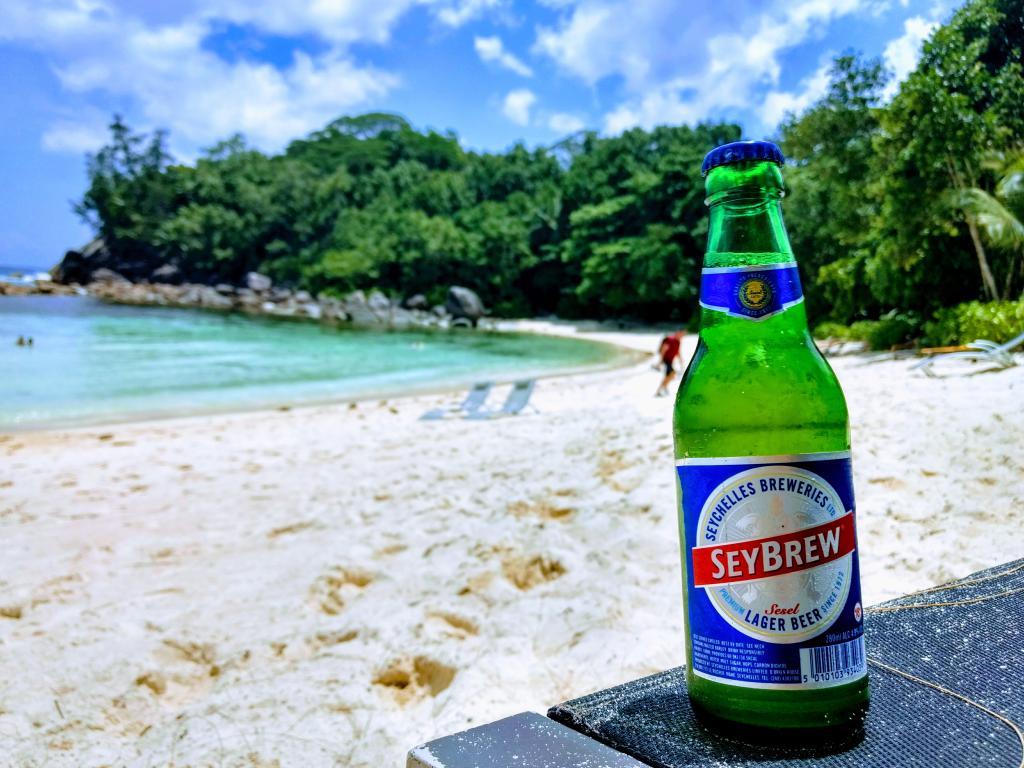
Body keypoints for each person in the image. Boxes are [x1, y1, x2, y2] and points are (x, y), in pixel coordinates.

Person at [655, 330, 685, 397]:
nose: (682, 336)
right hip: (666, 360)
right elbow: (663, 350)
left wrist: (681, 361)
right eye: (681, 334)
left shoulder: (678, 342)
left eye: (683, 335)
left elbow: (677, 352)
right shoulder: (670, 339)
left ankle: (662, 388)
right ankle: (660, 390)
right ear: (677, 333)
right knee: (671, 374)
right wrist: (660, 361)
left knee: (670, 375)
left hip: (670, 361)